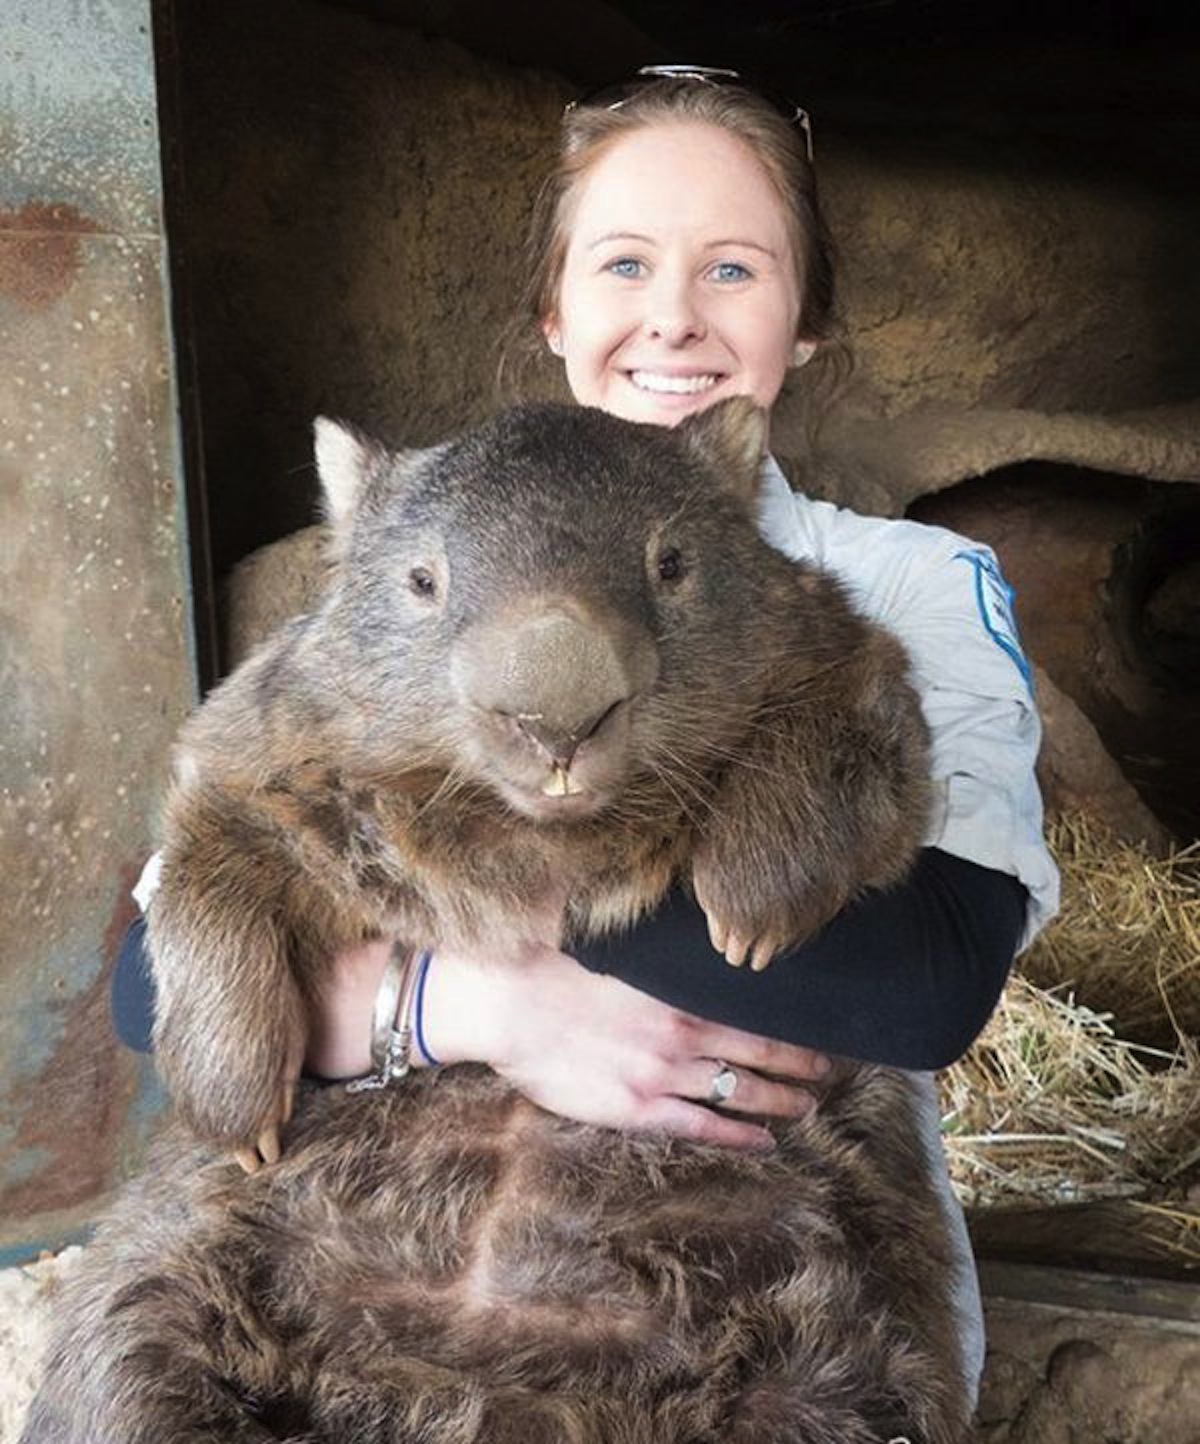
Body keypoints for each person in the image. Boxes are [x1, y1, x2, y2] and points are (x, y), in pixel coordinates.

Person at [113, 65, 1059, 1404]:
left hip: (738, 1299)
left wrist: (476, 893)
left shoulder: (906, 581)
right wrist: (480, 1006)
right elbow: (162, 973)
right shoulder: (410, 530)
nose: (672, 315)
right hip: (346, 1270)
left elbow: (929, 982)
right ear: (554, 310)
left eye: (734, 269)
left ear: (805, 325)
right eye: (624, 263)